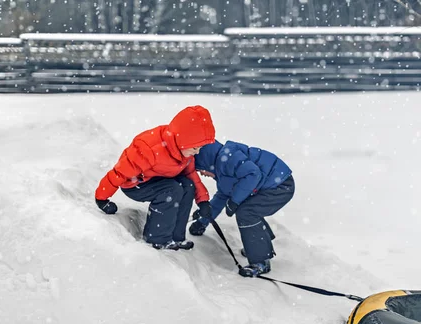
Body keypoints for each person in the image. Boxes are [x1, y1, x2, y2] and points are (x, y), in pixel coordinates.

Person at [94, 105, 216, 250]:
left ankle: (176, 237)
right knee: (172, 190)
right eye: (195, 148)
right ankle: (157, 238)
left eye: (200, 148)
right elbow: (120, 172)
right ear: (183, 141)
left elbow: (190, 175)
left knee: (187, 186)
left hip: (158, 178)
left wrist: (202, 201)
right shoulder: (149, 148)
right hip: (135, 185)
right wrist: (101, 198)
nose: (197, 152)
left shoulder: (185, 151)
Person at [189, 140, 295, 277]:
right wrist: (202, 221)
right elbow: (221, 196)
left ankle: (260, 261)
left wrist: (234, 201)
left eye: (200, 169)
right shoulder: (222, 169)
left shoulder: (226, 158)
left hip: (280, 185)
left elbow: (253, 174)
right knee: (247, 209)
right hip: (274, 184)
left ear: (205, 161)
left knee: (247, 212)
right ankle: (257, 244)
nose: (202, 174)